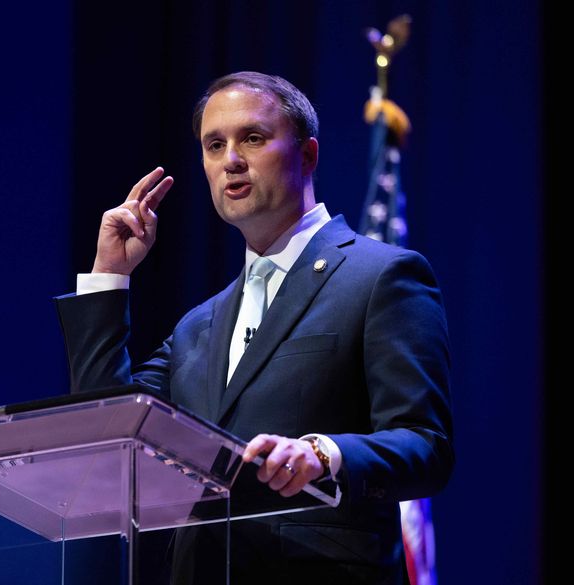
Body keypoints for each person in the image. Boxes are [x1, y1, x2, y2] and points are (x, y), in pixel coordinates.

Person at [54, 71, 453, 584]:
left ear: (307, 155)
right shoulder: (198, 326)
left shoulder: (381, 276)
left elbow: (426, 447)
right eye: (214, 145)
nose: (231, 160)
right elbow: (108, 434)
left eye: (253, 138)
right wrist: (110, 277)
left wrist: (322, 454)